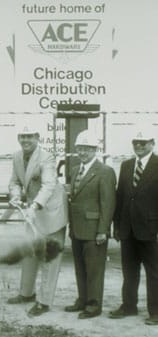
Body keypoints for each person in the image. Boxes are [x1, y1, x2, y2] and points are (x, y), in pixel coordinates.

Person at [7, 126, 68, 317]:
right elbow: (15, 181)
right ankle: (26, 294)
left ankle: (44, 302)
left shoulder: (46, 157)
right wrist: (16, 196)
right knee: (30, 253)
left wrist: (33, 207)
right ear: (18, 137)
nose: (25, 140)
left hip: (50, 212)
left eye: (29, 136)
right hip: (32, 212)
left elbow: (49, 185)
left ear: (37, 137)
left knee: (49, 258)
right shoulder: (17, 156)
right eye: (22, 136)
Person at [64, 130, 116, 319]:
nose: (83, 152)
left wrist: (103, 230)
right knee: (80, 267)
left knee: (94, 270)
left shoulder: (105, 171)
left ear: (95, 150)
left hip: (95, 230)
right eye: (80, 148)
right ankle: (83, 299)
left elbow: (108, 203)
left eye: (87, 149)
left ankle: (94, 306)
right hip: (77, 229)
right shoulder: (74, 169)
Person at [109, 128, 158, 325]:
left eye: (143, 142)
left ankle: (155, 311)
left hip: (150, 230)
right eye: (135, 142)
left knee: (154, 272)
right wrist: (117, 225)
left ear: (152, 143)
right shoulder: (127, 165)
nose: (138, 145)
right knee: (129, 271)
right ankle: (129, 306)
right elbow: (120, 196)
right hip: (128, 229)